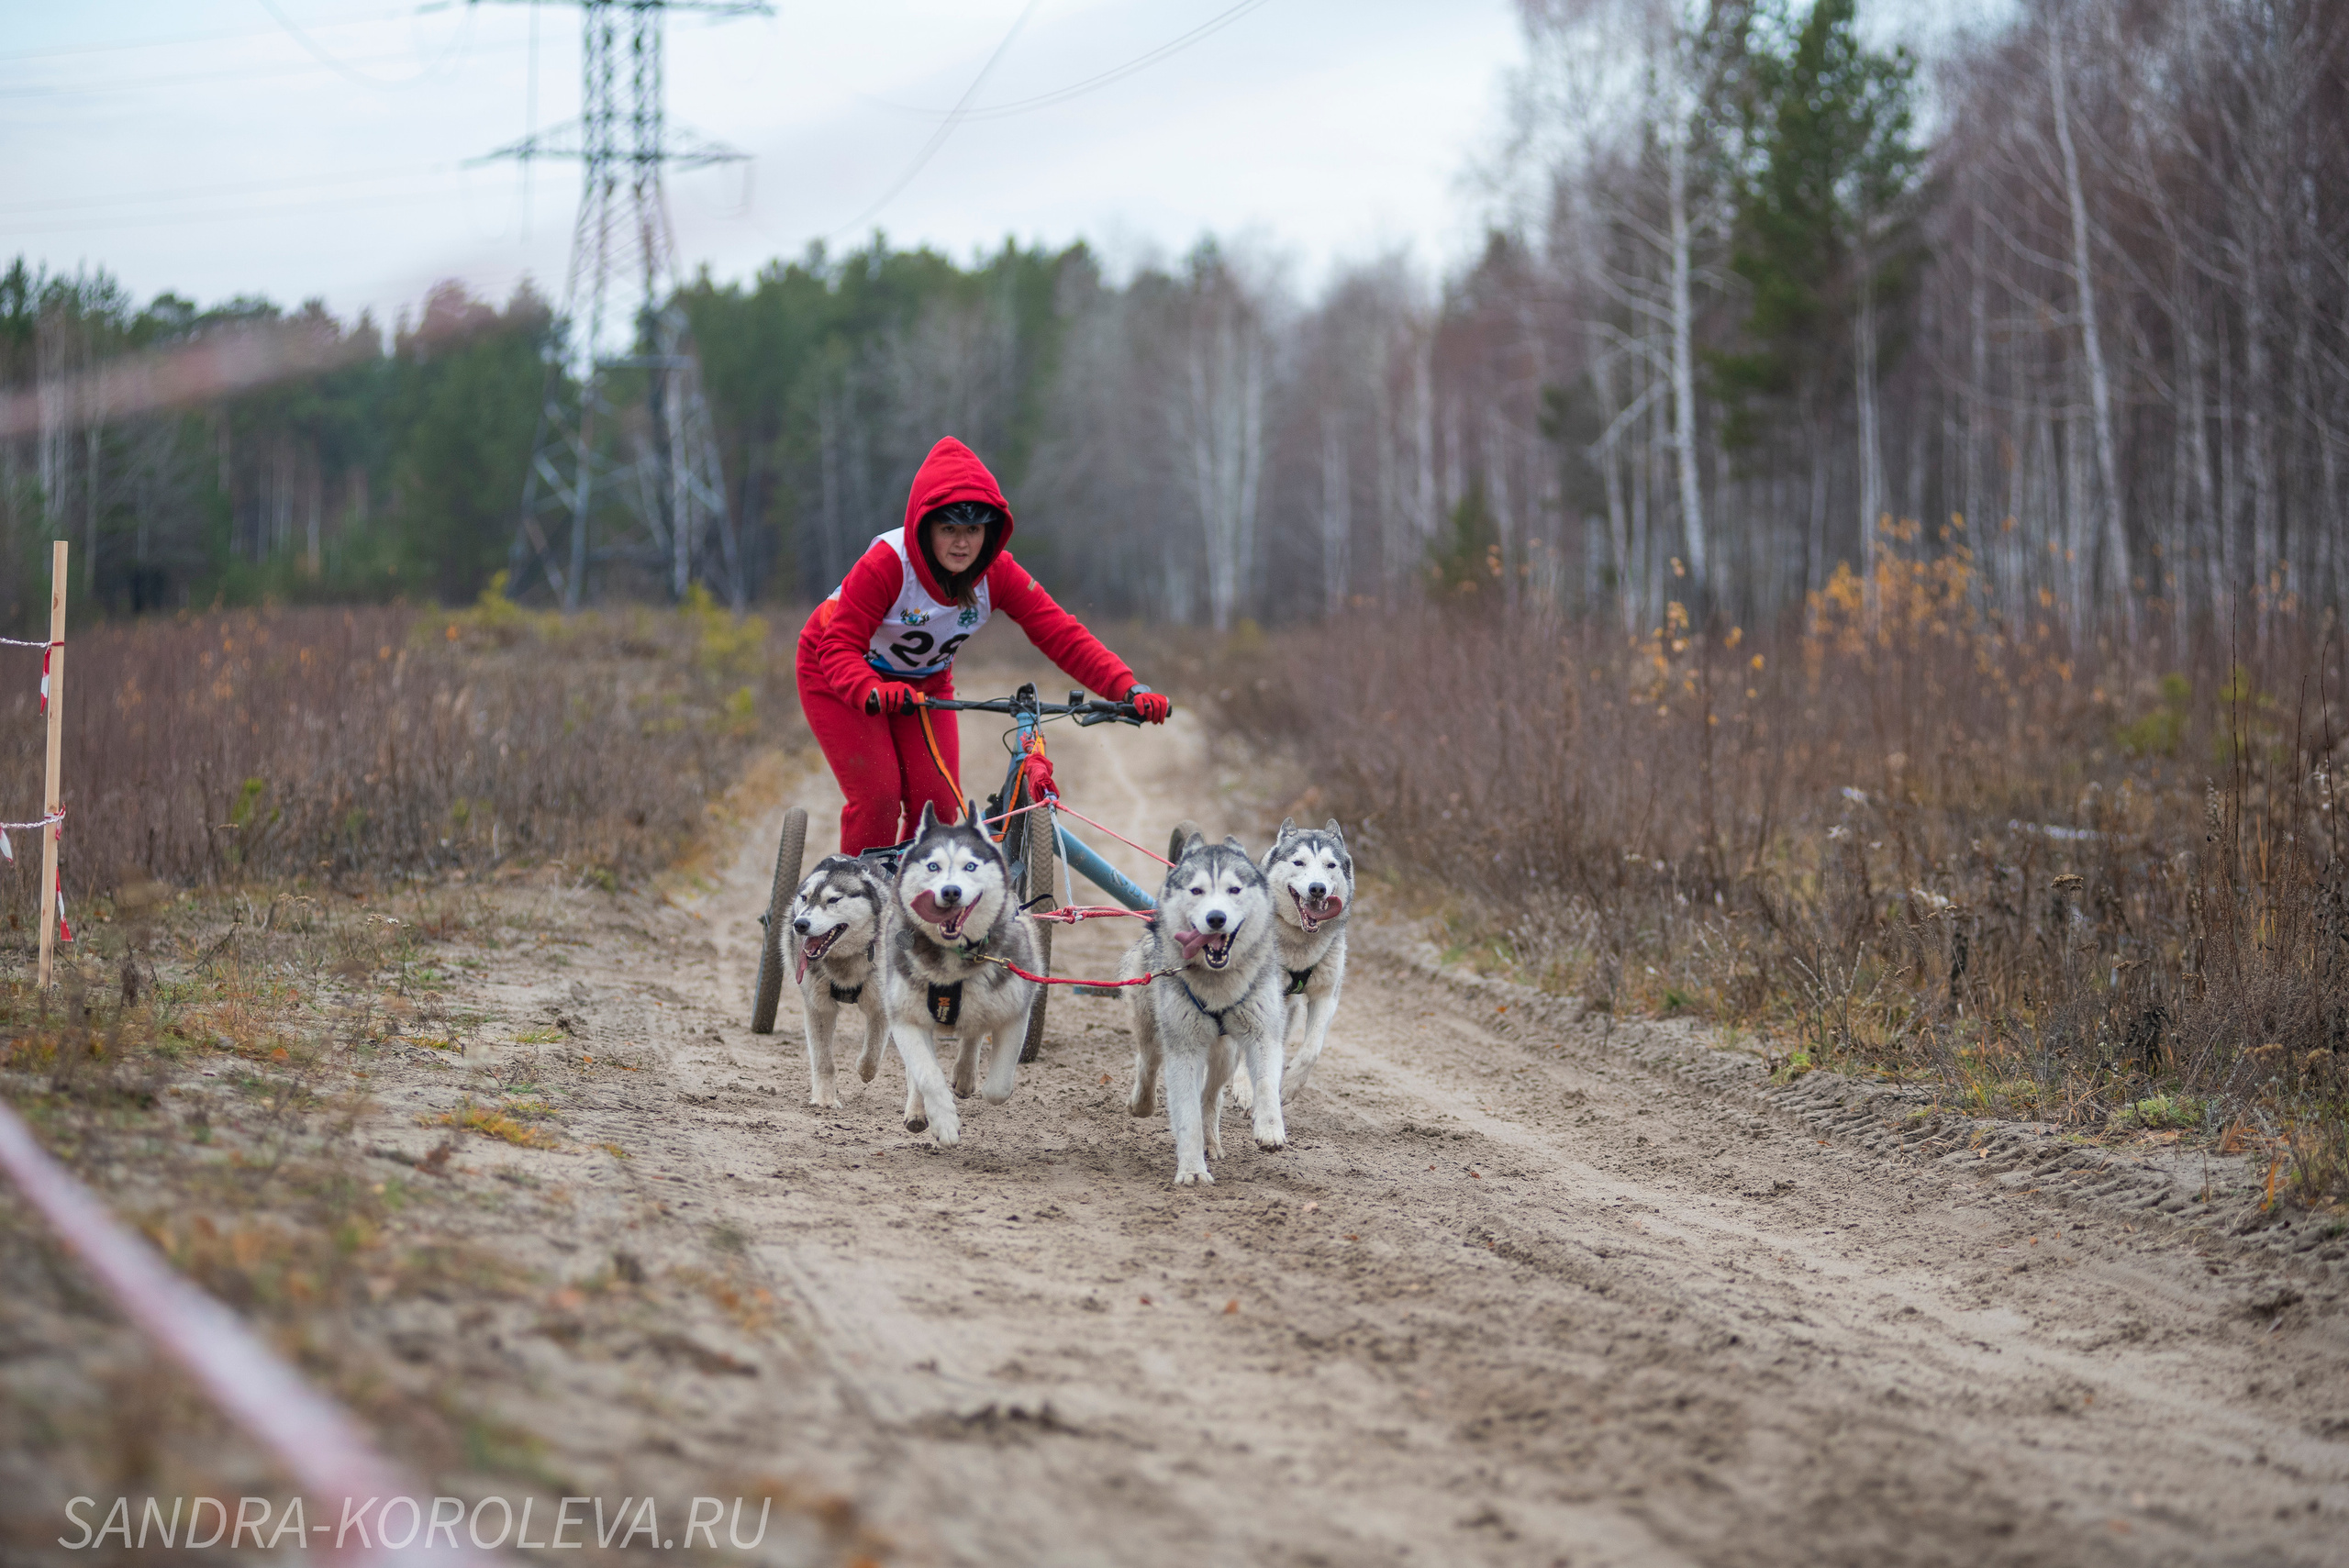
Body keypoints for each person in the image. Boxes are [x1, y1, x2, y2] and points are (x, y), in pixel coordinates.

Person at [796, 436, 1170, 853]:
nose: (962, 543)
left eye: (973, 530)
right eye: (949, 529)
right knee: (880, 797)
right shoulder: (887, 564)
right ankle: (857, 904)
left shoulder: (998, 574)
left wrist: (1127, 687)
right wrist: (871, 690)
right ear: (925, 527)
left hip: (921, 684)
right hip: (837, 671)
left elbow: (1062, 634)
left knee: (937, 808)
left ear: (989, 532)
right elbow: (839, 646)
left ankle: (910, 903)